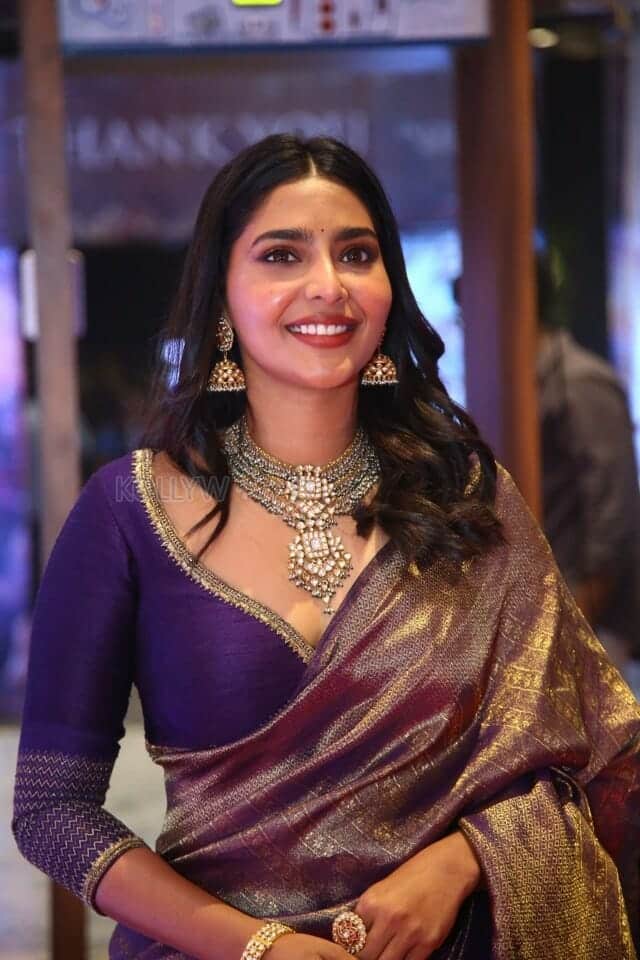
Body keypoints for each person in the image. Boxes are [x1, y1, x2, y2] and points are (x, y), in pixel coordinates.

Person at [12, 135, 640, 960]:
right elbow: (51, 809)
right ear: (221, 293)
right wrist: (259, 945)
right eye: (282, 254)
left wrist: (462, 861)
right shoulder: (129, 511)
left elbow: (601, 754)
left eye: (357, 253)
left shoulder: (467, 498)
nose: (328, 285)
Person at [536, 253, 640, 675]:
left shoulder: (580, 382)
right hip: (558, 607)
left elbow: (613, 511)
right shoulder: (528, 380)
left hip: (594, 618)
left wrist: (575, 622)